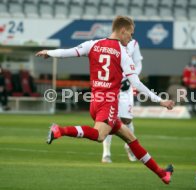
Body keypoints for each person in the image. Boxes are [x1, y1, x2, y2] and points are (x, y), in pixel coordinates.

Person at [35, 16, 174, 184]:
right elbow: (136, 82)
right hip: (109, 103)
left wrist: (49, 52)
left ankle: (162, 174)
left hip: (95, 102)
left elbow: (67, 52)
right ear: (122, 31)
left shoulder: (92, 44)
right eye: (130, 34)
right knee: (100, 136)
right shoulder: (122, 53)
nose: (130, 38)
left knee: (131, 138)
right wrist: (161, 101)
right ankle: (60, 130)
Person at [102, 39, 143, 163]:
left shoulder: (134, 44)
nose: (130, 34)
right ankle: (106, 153)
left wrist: (131, 77)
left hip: (126, 87)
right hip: (110, 85)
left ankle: (129, 145)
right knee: (109, 119)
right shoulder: (109, 43)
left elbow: (138, 64)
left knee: (127, 120)